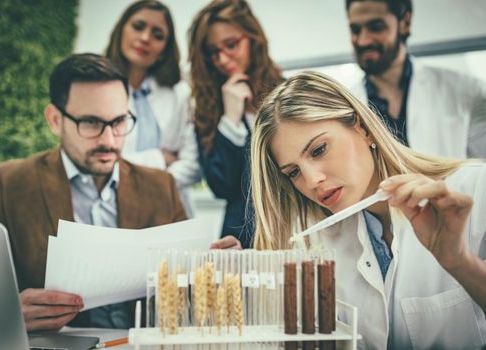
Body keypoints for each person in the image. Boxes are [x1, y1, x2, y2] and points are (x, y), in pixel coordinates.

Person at [249, 71, 486, 349]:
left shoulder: (475, 189)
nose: (312, 181)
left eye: (318, 150)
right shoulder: (314, 242)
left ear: (361, 127)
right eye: (293, 172)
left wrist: (458, 261)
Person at [0, 53, 186, 331]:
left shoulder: (161, 187)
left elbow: (187, 282)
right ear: (55, 120)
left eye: (119, 121)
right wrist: (9, 312)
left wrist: (216, 262)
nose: (109, 140)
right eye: (91, 123)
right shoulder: (11, 183)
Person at [188, 0, 283, 248]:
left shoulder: (286, 91)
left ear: (253, 38)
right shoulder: (208, 106)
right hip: (242, 238)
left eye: (231, 45)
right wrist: (230, 117)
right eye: (212, 52)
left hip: (292, 227)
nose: (222, 58)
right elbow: (221, 186)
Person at [345, 0, 486, 158]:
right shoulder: (344, 105)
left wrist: (449, 184)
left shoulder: (468, 91)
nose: (364, 40)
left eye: (376, 27)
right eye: (355, 30)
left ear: (405, 23)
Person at [106, 0, 200, 216]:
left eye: (158, 35)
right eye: (138, 27)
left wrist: (148, 184)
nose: (146, 38)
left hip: (170, 207)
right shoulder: (98, 90)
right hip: (112, 208)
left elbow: (193, 166)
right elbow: (101, 163)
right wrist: (160, 158)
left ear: (165, 49)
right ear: (121, 29)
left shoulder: (180, 94)